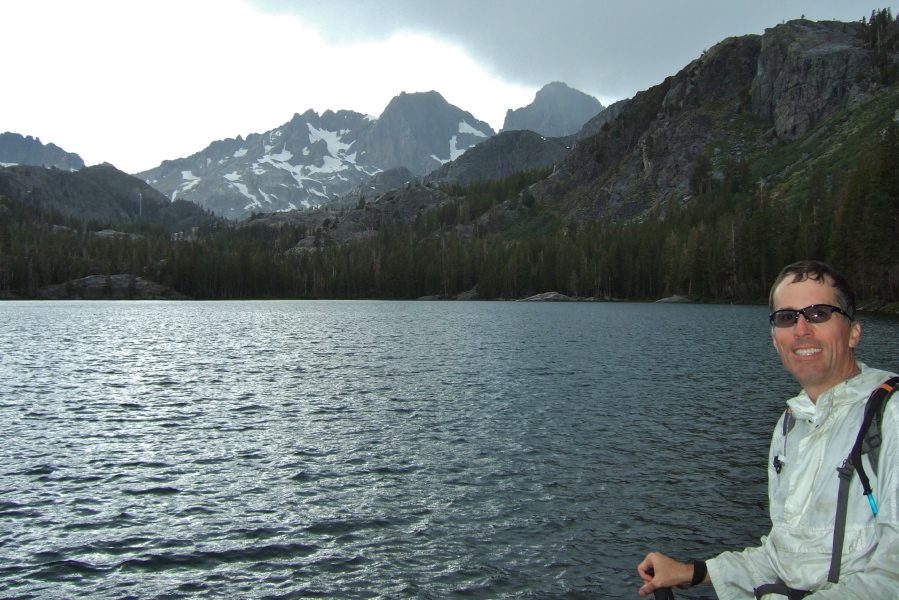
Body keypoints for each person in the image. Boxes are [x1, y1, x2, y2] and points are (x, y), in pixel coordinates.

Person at [637, 261, 899, 599]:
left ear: (853, 332)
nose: (801, 330)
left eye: (818, 313)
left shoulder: (890, 416)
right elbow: (784, 557)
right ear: (776, 340)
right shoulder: (791, 424)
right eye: (787, 318)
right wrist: (694, 572)